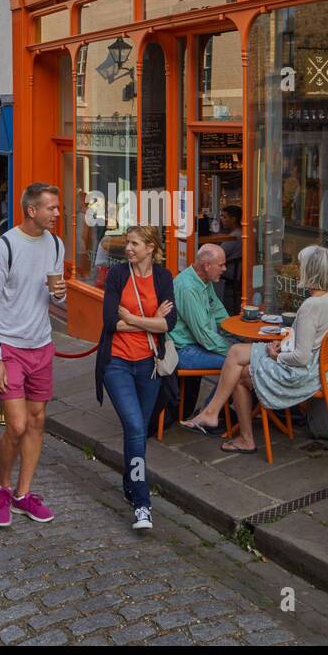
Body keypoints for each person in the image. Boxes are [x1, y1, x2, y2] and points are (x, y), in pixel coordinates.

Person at [186, 245, 328, 454]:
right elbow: (313, 340)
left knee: (240, 376)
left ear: (310, 270)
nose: (297, 269)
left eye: (300, 265)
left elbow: (300, 357)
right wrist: (286, 343)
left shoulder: (311, 306)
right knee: (235, 351)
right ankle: (211, 412)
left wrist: (276, 356)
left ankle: (245, 438)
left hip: (303, 373)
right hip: (322, 368)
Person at [0, 182, 67, 527]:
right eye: (52, 208)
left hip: (41, 344)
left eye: (57, 208)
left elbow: (56, 298)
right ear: (32, 210)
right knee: (16, 425)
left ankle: (22, 494)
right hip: (10, 347)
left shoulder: (57, 245)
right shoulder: (3, 248)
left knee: (37, 421)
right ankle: (2, 488)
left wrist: (60, 295)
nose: (57, 214)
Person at [96, 226, 178, 530]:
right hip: (117, 363)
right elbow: (109, 323)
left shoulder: (163, 277)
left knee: (138, 432)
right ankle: (143, 503)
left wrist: (131, 319)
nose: (128, 248)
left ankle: (131, 483)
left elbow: (169, 323)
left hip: (149, 366)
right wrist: (149, 321)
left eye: (134, 243)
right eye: (128, 243)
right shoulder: (118, 275)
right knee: (133, 426)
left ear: (150, 248)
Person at [169, 244, 231, 424]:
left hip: (197, 344)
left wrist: (237, 332)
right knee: (236, 364)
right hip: (183, 351)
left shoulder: (203, 281)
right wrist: (234, 349)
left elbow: (218, 312)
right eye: (221, 265)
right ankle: (207, 412)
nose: (225, 269)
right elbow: (203, 335)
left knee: (241, 361)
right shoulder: (188, 287)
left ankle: (213, 410)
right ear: (207, 266)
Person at [218, 205, 244, 315]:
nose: (221, 219)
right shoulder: (240, 233)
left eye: (224, 217)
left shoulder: (234, 237)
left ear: (233, 219)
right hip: (236, 273)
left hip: (228, 274)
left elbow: (218, 254)